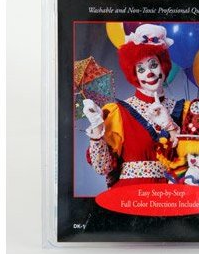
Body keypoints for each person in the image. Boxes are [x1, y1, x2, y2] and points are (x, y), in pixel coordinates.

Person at [82, 24, 191, 187]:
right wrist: (97, 126)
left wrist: (170, 125)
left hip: (171, 194)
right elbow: (102, 168)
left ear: (163, 66)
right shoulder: (118, 112)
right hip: (131, 194)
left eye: (153, 65)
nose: (149, 73)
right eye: (141, 69)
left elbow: (195, 161)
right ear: (134, 75)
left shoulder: (184, 110)